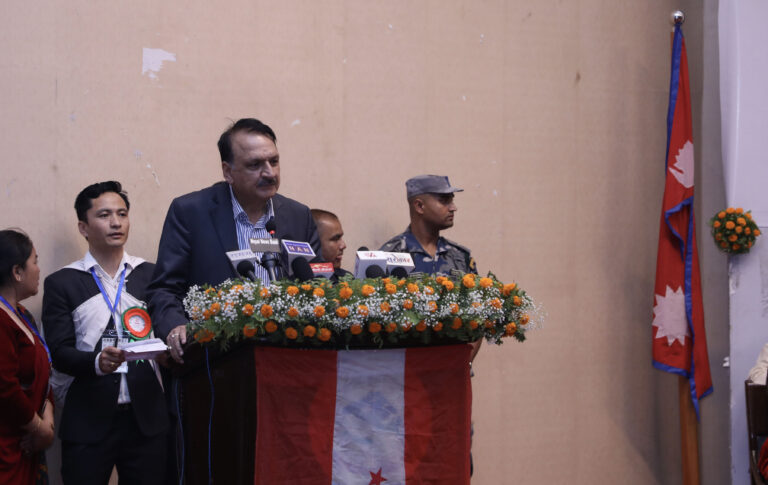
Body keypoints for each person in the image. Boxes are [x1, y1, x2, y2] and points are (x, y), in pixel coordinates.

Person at [147, 117, 321, 363]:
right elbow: (164, 289)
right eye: (255, 165)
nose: (269, 173)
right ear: (228, 172)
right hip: (217, 360)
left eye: (274, 161)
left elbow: (319, 283)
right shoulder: (191, 212)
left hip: (289, 357)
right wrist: (175, 326)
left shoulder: (298, 216)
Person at [42, 182, 167, 485]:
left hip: (147, 418)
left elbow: (168, 329)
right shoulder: (63, 282)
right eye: (104, 215)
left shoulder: (151, 274)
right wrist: (97, 362)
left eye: (122, 214)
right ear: (83, 227)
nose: (116, 222)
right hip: (88, 417)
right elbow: (59, 352)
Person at [0, 229, 55, 484]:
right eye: (35, 261)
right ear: (17, 272)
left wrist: (48, 422)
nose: (39, 270)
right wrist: (38, 427)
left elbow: (44, 372)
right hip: (8, 446)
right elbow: (5, 387)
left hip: (28, 446)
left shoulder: (22, 315)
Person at [379, 174, 477, 275]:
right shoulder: (391, 256)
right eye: (444, 201)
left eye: (451, 201)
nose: (453, 208)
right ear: (419, 206)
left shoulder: (460, 257)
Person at [311, 209, 350, 280]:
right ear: (314, 242)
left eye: (341, 238)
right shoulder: (294, 283)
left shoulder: (346, 279)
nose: (343, 246)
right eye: (335, 239)